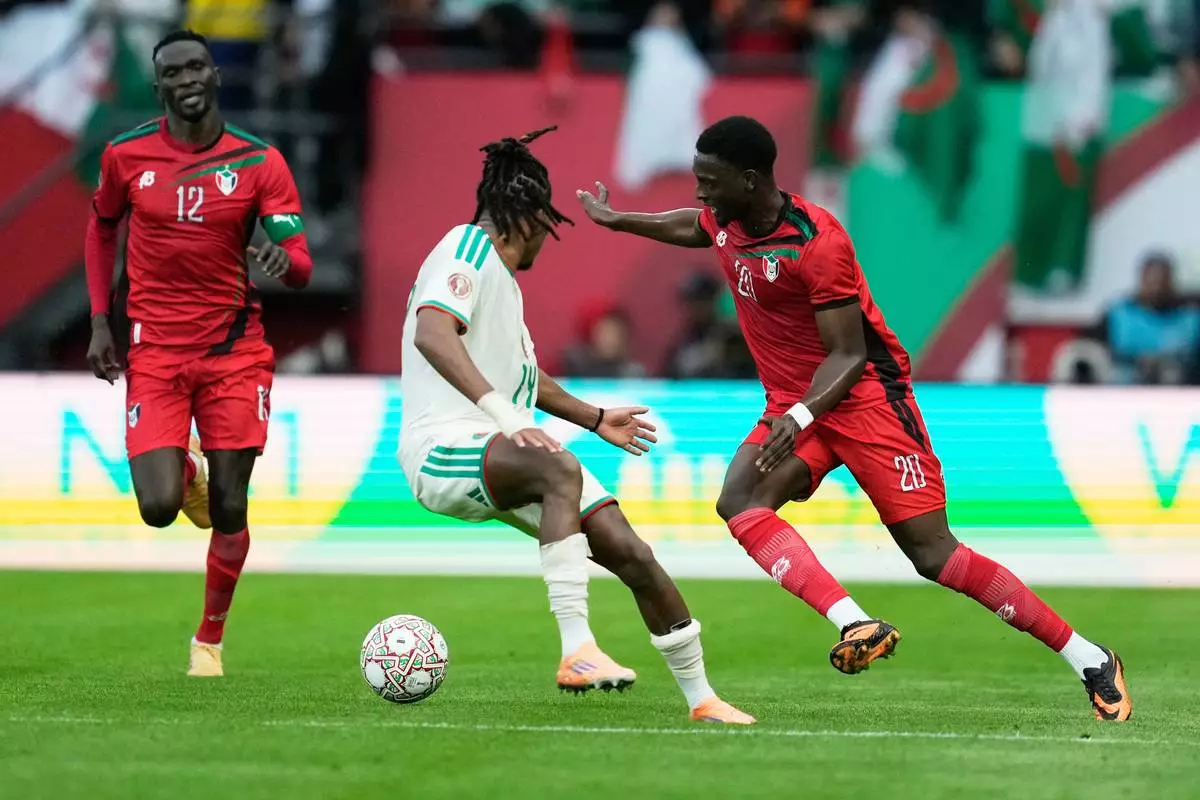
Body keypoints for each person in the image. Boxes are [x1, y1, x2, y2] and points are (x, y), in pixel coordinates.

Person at [577, 115, 1132, 722]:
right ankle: (855, 622)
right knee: (739, 500)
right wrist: (619, 220)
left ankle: (1089, 658)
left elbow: (850, 353)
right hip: (796, 405)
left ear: (751, 178)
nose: (701, 194)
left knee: (934, 555)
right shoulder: (727, 220)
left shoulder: (818, 243)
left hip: (864, 399)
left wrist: (800, 412)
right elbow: (695, 227)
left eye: (710, 181)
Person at [399, 127, 753, 724]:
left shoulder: (503, 287)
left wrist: (594, 418)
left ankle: (703, 700)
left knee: (632, 552)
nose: (548, 238)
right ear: (529, 217)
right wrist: (504, 413)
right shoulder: (465, 250)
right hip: (443, 446)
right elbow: (432, 333)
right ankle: (577, 650)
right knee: (555, 467)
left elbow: (529, 383)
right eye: (547, 223)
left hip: (501, 444)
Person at [84, 30, 313, 679]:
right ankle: (183, 473)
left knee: (233, 507)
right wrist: (102, 320)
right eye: (172, 71)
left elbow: (299, 262)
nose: (186, 79)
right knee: (158, 509)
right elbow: (101, 228)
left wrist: (282, 262)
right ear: (159, 86)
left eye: (196, 66)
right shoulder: (125, 156)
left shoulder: (259, 161)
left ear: (215, 75)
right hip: (152, 349)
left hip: (234, 350)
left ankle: (208, 640)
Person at [1091, 253, 1200, 386]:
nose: (1157, 288)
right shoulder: (1117, 314)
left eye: (1162, 281)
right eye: (1151, 281)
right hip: (1123, 389)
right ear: (1141, 280)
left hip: (1178, 391)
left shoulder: (1191, 317)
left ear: (1171, 282)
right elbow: (1092, 351)